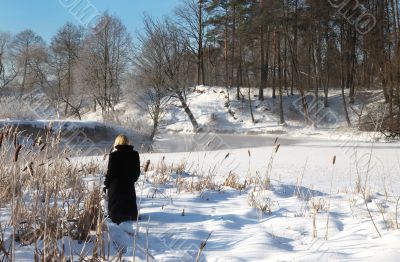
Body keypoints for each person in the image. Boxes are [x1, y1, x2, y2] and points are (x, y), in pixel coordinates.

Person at [104, 134, 140, 224]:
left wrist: (106, 185)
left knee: (115, 210)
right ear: (127, 142)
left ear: (117, 142)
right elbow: (137, 172)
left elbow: (110, 172)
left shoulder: (114, 155)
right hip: (129, 185)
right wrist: (131, 180)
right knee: (129, 205)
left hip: (115, 186)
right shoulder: (135, 154)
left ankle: (116, 219)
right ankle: (130, 217)